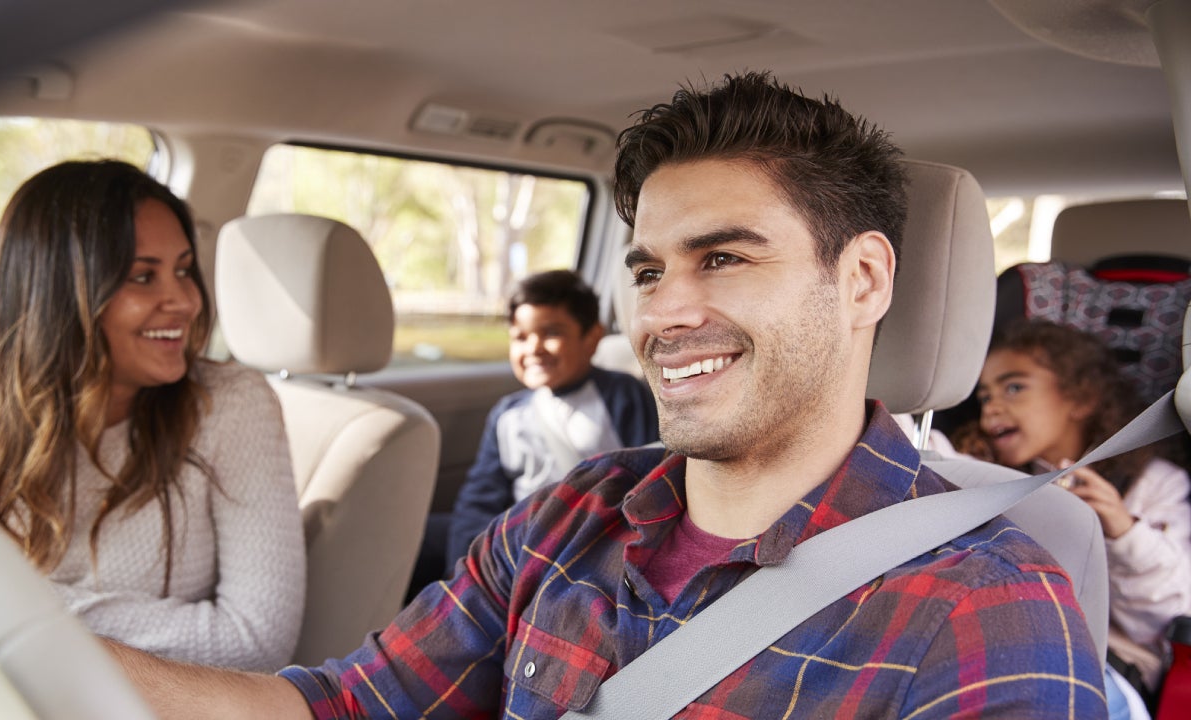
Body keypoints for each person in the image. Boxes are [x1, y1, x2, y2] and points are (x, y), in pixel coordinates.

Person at [99, 70, 1104, 718]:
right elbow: (342, 708)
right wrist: (22, 642)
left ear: (862, 282)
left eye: (724, 258)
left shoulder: (983, 608)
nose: (666, 314)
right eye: (652, 269)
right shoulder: (567, 519)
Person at [0, 159, 306, 671]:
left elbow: (256, 641)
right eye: (144, 277)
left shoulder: (229, 404)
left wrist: (1, 614)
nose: (185, 300)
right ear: (56, 296)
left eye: (184, 270)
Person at [963, 319, 1191, 706]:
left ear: (1080, 398)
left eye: (1014, 387)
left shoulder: (1152, 483)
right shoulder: (986, 474)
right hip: (1004, 641)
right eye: (984, 397)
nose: (993, 408)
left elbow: (1170, 613)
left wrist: (1123, 530)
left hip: (1109, 661)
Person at [443, 269, 659, 566]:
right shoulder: (508, 413)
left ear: (592, 338)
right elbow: (479, 499)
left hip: (590, 542)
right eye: (520, 337)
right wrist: (466, 563)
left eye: (552, 333)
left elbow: (649, 479)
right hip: (518, 543)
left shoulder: (622, 395)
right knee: (415, 533)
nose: (533, 348)